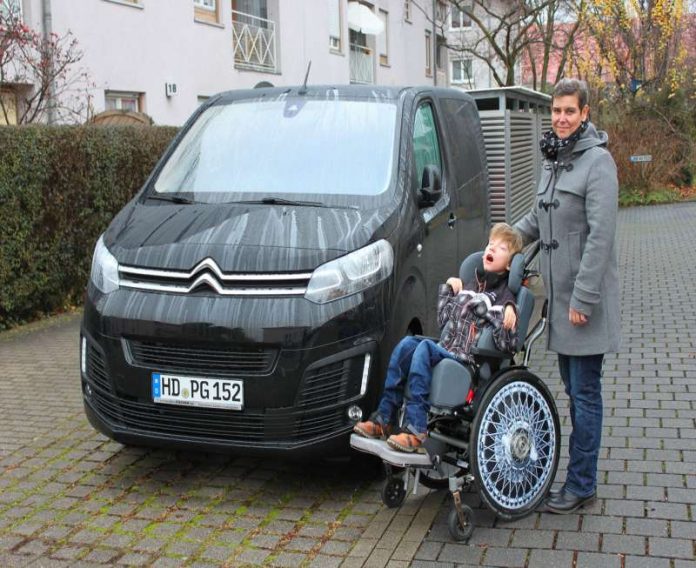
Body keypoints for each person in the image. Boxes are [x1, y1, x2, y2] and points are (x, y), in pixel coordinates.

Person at [514, 78, 620, 514]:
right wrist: (503, 244)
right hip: (559, 306)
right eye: (556, 111)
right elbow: (537, 219)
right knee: (574, 393)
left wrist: (583, 299)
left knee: (585, 393)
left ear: (585, 113)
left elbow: (601, 238)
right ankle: (579, 477)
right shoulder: (554, 160)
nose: (560, 118)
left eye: (569, 111)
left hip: (583, 305)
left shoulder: (598, 163)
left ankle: (582, 484)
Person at [353, 223, 523, 453]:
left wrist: (507, 310)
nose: (492, 249)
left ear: (511, 263)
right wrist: (449, 291)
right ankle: (384, 418)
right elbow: (444, 322)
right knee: (406, 344)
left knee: (423, 348)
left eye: (501, 248)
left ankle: (416, 428)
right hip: (447, 348)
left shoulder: (504, 296)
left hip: (467, 359)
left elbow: (507, 343)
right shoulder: (471, 285)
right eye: (490, 244)